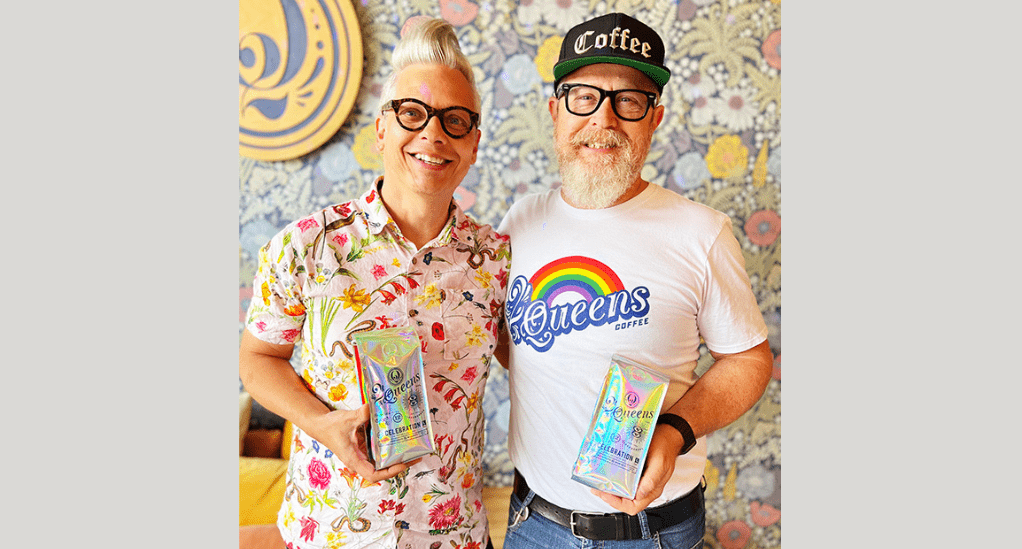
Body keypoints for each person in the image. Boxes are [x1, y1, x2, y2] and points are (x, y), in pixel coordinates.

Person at [493, 12, 773, 549]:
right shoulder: (520, 222)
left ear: (654, 118)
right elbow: (513, 345)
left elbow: (749, 361)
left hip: (651, 533)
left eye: (628, 101)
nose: (604, 118)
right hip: (532, 521)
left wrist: (674, 431)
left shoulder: (702, 233)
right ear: (555, 111)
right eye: (583, 97)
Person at [239, 17, 510, 549]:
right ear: (382, 129)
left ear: (474, 144)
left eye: (455, 120)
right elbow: (257, 359)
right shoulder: (306, 246)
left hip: (451, 535)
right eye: (412, 113)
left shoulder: (498, 260)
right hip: (330, 531)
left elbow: (536, 364)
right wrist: (321, 423)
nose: (433, 133)